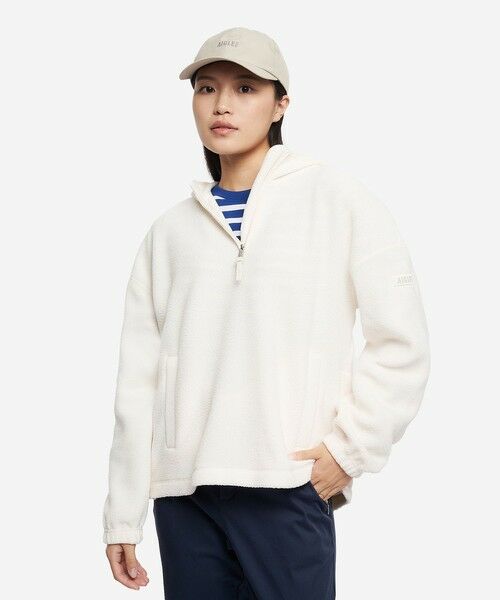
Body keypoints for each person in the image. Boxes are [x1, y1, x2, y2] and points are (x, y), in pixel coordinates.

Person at [102, 27, 431, 599]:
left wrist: (349, 450)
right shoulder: (169, 233)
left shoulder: (338, 200)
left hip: (285, 484)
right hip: (184, 498)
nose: (222, 105)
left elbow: (401, 342)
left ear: (281, 104)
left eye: (246, 88)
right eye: (207, 88)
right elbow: (138, 380)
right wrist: (123, 513)